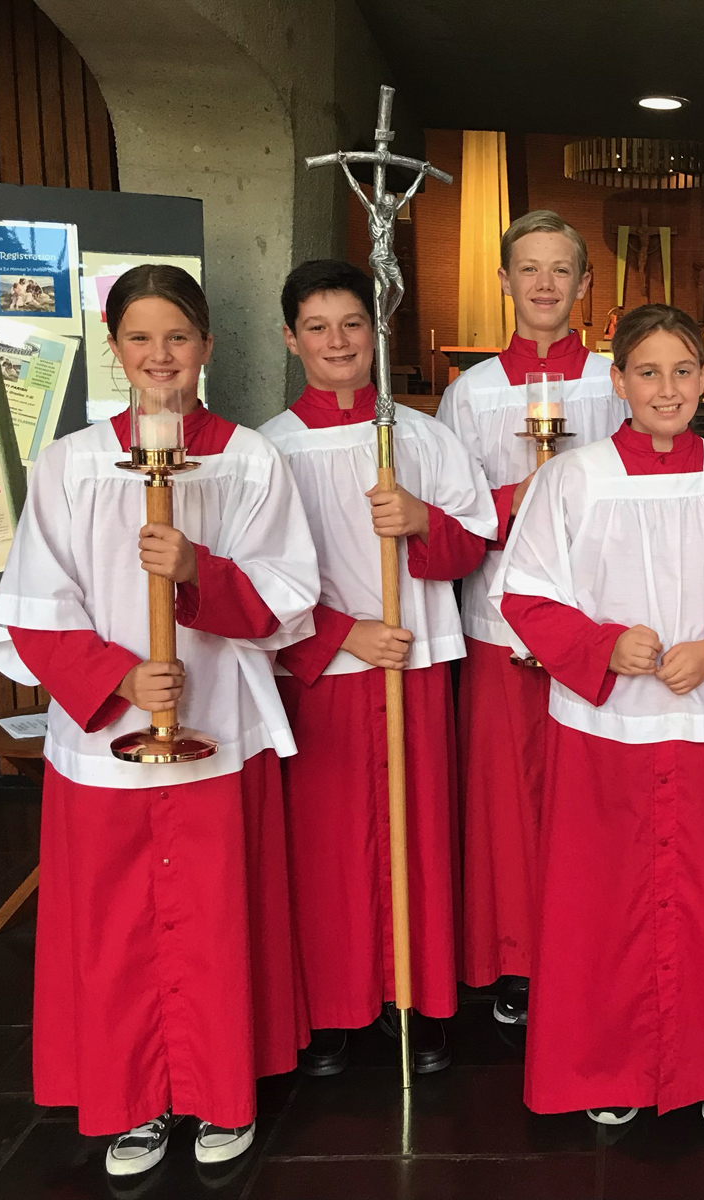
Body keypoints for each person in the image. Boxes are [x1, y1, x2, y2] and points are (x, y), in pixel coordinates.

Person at [0, 265, 320, 1176]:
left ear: (206, 346)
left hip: (217, 732)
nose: (160, 355)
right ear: (116, 350)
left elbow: (287, 597)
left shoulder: (249, 459)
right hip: (107, 735)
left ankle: (215, 1091)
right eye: (140, 338)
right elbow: (35, 609)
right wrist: (123, 680)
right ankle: (132, 1097)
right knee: (118, 921)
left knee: (211, 918)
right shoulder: (73, 464)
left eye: (178, 336)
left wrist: (198, 570)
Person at [493, 303, 704, 1132]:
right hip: (601, 729)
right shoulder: (572, 479)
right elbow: (524, 595)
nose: (666, 389)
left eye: (682, 371)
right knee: (601, 904)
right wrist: (603, 644)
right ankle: (607, 1063)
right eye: (648, 372)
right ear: (618, 382)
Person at [260, 260, 496, 1078]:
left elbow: (476, 545)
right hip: (322, 672)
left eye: (352, 324)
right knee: (325, 851)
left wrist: (422, 518)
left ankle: (416, 1003)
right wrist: (340, 633)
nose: (337, 342)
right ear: (291, 339)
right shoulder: (266, 452)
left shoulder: (423, 438)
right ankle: (334, 1009)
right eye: (317, 327)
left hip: (414, 666)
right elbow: (246, 585)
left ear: (376, 332)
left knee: (418, 837)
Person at [436, 209, 626, 1025]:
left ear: (586, 285)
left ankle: (592, 941)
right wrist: (518, 499)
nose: (545, 285)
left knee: (594, 792)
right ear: (505, 281)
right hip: (499, 622)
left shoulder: (620, 380)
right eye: (529, 269)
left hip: (595, 622)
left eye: (561, 271)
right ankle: (517, 954)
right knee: (508, 801)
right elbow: (451, 511)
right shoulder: (469, 392)